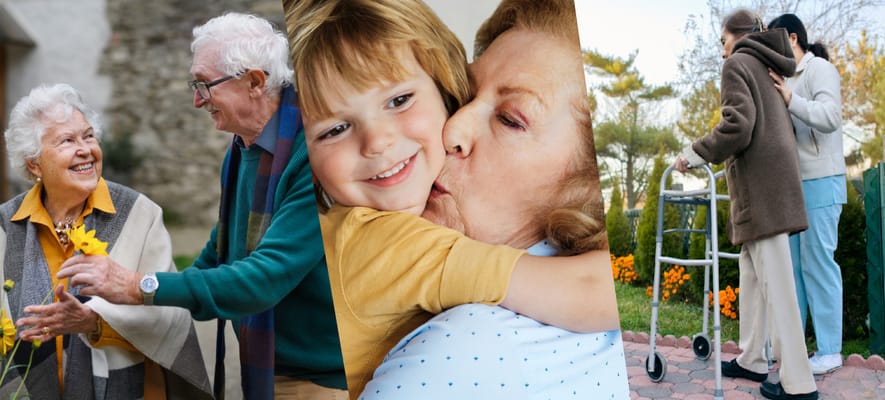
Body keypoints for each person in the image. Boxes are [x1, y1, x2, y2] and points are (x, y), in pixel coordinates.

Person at [284, 0, 622, 398]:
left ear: (591, 181)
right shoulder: (385, 243)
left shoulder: (471, 344)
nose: (453, 129)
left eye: (510, 119)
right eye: (466, 95)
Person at [57, 13, 346, 400]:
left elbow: (263, 279)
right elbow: (218, 256)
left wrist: (136, 285)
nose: (196, 101)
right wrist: (104, 313)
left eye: (205, 85)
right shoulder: (245, 147)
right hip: (268, 368)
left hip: (320, 380)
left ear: (256, 82)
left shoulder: (314, 154)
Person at [0, 83, 211, 399]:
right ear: (34, 163)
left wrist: (94, 322)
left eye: (88, 136)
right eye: (67, 141)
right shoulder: (6, 224)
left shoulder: (140, 214)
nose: (85, 149)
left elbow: (169, 318)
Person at [673, 9, 817, 400]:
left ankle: (799, 384)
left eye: (722, 41)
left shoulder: (738, 62)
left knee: (779, 285)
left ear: (736, 35)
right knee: (753, 275)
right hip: (772, 186)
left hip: (762, 190)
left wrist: (696, 153)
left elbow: (738, 125)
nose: (722, 52)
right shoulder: (767, 64)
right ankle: (753, 358)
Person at [767, 13, 846, 375]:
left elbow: (831, 116)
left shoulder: (820, 70)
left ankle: (830, 351)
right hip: (794, 187)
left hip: (822, 180)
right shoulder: (783, 77)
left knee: (818, 266)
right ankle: (795, 349)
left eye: (774, 39)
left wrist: (789, 99)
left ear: (793, 39)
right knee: (794, 271)